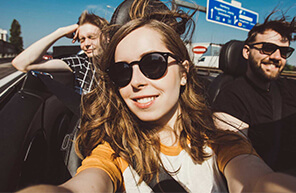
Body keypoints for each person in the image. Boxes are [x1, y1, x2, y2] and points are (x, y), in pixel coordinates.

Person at [16, 2, 296, 192]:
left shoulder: (223, 141)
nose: (137, 81)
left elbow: (256, 181)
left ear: (184, 72)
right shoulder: (114, 149)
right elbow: (84, 184)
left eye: (153, 64)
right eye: (122, 72)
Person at [212, 12, 296, 173]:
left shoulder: (289, 88)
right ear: (246, 52)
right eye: (268, 48)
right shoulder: (231, 96)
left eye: (284, 52)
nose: (277, 57)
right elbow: (234, 154)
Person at [12, 11, 109, 94]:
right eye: (82, 39)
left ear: (107, 37)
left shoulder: (119, 61)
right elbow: (21, 64)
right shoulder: (81, 63)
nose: (86, 44)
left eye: (92, 37)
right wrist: (61, 31)